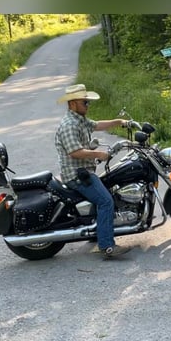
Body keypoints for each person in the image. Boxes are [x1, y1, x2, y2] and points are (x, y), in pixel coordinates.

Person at [55, 83, 131, 259]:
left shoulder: (79, 120)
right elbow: (74, 152)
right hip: (76, 175)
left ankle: (100, 230)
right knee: (105, 201)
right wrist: (98, 153)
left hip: (83, 170)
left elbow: (97, 125)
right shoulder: (69, 125)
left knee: (109, 187)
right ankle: (106, 246)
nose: (88, 105)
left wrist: (119, 122)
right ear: (72, 103)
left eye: (88, 102)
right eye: (85, 102)